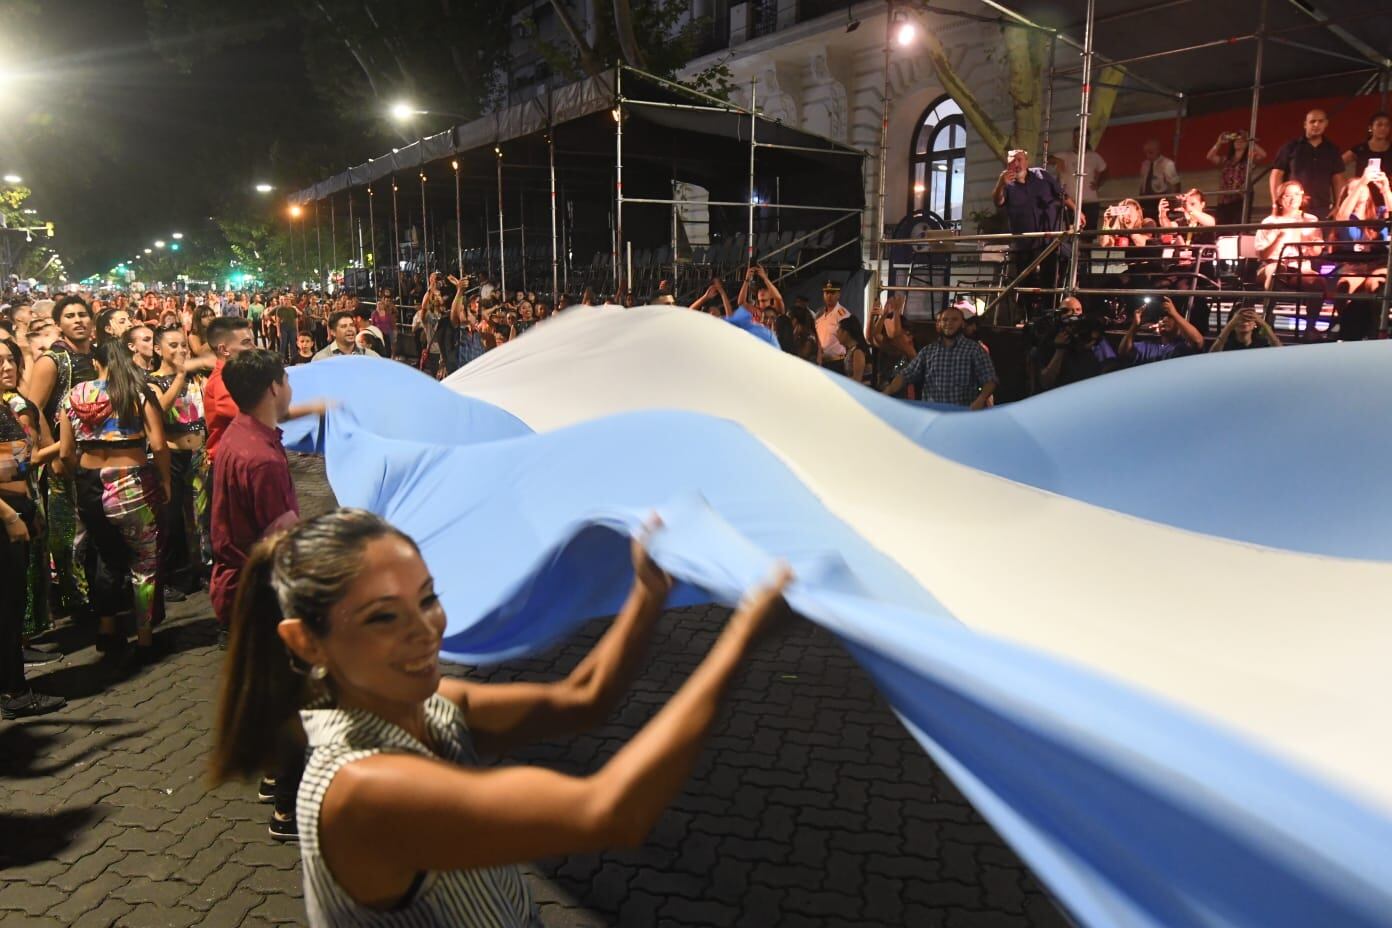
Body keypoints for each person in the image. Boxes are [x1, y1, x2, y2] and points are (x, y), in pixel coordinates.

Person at [210, 505, 792, 924]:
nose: (425, 631)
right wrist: (740, 638)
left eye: (428, 599)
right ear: (305, 641)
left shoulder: (429, 706)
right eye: (382, 618)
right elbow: (610, 812)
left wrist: (647, 593)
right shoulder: (361, 786)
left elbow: (581, 699)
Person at [210, 348, 312, 838]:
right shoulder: (262, 459)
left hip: (239, 585)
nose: (290, 387)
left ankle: (273, 777)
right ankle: (288, 812)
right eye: (287, 378)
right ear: (273, 387)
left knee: (272, 694)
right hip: (265, 590)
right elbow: (284, 542)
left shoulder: (242, 436)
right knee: (298, 701)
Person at [59, 341, 171, 663]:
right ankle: (146, 638)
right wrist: (164, 480)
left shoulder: (74, 395)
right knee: (144, 562)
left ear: (96, 363)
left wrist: (77, 478)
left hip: (90, 484)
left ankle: (107, 630)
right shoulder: (138, 392)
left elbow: (66, 452)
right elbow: (159, 444)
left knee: (105, 555)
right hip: (131, 483)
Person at [1, 340, 65, 719]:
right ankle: (14, 692)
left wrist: (28, 506)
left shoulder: (9, 404)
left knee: (12, 603)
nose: (7, 365)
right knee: (6, 607)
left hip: (18, 508)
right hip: (4, 518)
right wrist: (10, 515)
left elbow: (11, 464)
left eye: (10, 358)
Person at [24, 295, 98, 619]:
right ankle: (71, 603)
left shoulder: (97, 357)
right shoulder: (52, 361)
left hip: (94, 456)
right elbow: (32, 407)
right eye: (70, 315)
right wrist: (51, 451)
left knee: (92, 529)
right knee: (66, 536)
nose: (78, 320)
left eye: (83, 314)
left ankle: (93, 596)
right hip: (62, 458)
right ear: (59, 324)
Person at [148, 327, 214, 595]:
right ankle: (175, 575)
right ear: (157, 350)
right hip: (170, 457)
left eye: (184, 346)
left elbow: (209, 413)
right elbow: (160, 408)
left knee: (202, 514)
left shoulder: (197, 380)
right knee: (172, 517)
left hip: (198, 454)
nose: (180, 351)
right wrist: (180, 375)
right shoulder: (150, 380)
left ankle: (203, 568)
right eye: (173, 346)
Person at [993, 149, 1071, 319]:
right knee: (1025, 280)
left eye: (1019, 160)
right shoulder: (1006, 183)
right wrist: (1001, 184)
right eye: (1012, 161)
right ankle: (1028, 316)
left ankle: (1050, 315)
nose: (1016, 164)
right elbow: (998, 201)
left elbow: (1061, 194)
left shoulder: (1041, 175)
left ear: (1027, 161)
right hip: (1024, 242)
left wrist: (1077, 211)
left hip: (1049, 239)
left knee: (1050, 279)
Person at [880, 306, 997, 409]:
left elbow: (990, 380)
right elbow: (905, 375)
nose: (949, 323)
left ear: (962, 324)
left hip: (962, 414)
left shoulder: (975, 350)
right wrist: (884, 394)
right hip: (933, 414)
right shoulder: (928, 351)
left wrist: (980, 400)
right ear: (938, 324)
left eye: (954, 319)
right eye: (945, 320)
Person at [1256, 181, 1328, 340]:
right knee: (1277, 271)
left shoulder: (1311, 220)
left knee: (1318, 282)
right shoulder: (1269, 221)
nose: (1292, 199)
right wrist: (1278, 236)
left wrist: (1311, 241)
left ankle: (1310, 329)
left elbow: (1316, 252)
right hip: (1272, 264)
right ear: (1280, 199)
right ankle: (1266, 323)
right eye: (1288, 195)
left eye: (1296, 194)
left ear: (1302, 196)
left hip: (1300, 266)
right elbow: (1262, 255)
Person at [1329, 169, 1391, 341]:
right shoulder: (1345, 215)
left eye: (1363, 186)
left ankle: (1377, 329)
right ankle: (1348, 329)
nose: (1361, 188)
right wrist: (1363, 181)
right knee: (1345, 287)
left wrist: (1385, 189)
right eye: (1354, 188)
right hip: (1352, 265)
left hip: (1377, 263)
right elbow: (1341, 216)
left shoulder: (1379, 212)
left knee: (1375, 285)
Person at [1270, 109, 1346, 219]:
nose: (1316, 124)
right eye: (1312, 121)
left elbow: (1338, 180)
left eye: (1320, 121)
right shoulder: (1290, 147)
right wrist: (1276, 203)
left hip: (1322, 209)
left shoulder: (1332, 150)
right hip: (1293, 208)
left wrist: (1338, 206)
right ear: (1305, 124)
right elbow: (1276, 175)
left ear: (1326, 124)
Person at [1117, 296, 1205, 365]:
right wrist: (1135, 325)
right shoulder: (1148, 346)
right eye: (1162, 317)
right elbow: (1124, 351)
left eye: (1170, 317)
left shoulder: (1183, 347)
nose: (1164, 320)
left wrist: (1174, 313)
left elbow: (1198, 341)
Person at [1050, 127, 1108, 229]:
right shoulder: (1065, 155)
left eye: (1081, 137)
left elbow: (1105, 170)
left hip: (1090, 201)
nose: (1078, 139)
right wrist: (1057, 160)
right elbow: (1047, 158)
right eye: (1076, 137)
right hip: (1070, 202)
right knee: (1070, 233)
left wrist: (1098, 183)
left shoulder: (1094, 157)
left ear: (1087, 138)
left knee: (1089, 234)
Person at [1206, 130, 1268, 226]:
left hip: (1241, 197)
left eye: (1242, 141)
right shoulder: (1226, 160)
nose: (1238, 142)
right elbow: (1210, 156)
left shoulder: (1249, 159)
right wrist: (1219, 143)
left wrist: (1250, 141)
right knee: (1222, 225)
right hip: (1225, 197)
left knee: (1239, 225)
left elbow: (1263, 154)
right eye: (1236, 141)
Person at [1137, 139, 1181, 218]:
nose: (1148, 155)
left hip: (1160, 200)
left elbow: (1175, 185)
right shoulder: (1144, 165)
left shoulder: (1167, 164)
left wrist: (1171, 203)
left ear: (1158, 150)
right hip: (1145, 200)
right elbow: (1143, 184)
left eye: (1150, 152)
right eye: (1146, 152)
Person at [813, 281, 852, 370]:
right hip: (820, 361)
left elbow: (849, 338)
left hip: (836, 362)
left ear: (839, 295)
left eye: (832, 293)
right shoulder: (819, 313)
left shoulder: (843, 314)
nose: (829, 296)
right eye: (826, 293)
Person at [313, 311, 380, 361]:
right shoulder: (321, 359)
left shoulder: (371, 356)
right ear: (333, 332)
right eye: (343, 326)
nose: (350, 329)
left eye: (352, 325)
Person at [1210, 305, 1282, 352]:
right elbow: (1212, 357)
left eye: (1249, 318)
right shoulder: (1226, 344)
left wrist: (1262, 323)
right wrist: (1229, 326)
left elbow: (1280, 352)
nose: (1244, 322)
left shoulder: (1261, 344)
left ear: (1255, 323)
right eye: (1240, 319)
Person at [834, 316, 872, 386]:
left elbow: (857, 379)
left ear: (845, 333)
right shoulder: (851, 350)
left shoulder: (858, 352)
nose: (836, 333)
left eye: (838, 330)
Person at [275, 295, 300, 362]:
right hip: (283, 329)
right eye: (285, 299)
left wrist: (297, 332)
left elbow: (296, 321)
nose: (286, 301)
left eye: (288, 299)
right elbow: (277, 321)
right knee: (283, 344)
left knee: (293, 344)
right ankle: (281, 359)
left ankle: (293, 359)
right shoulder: (279, 309)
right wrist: (278, 331)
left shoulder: (293, 309)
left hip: (292, 329)